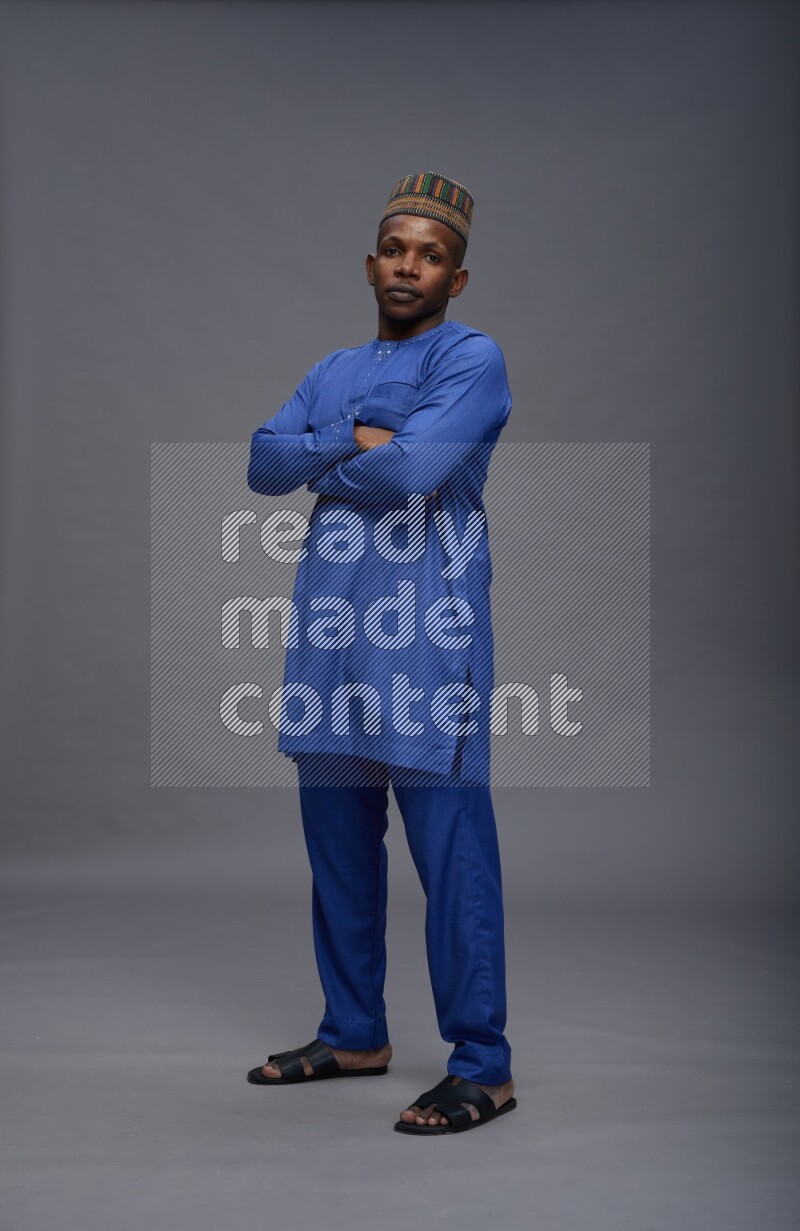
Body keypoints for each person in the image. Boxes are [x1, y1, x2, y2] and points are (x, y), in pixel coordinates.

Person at [246, 172, 516, 1135]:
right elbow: (261, 461)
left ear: (458, 275)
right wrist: (342, 437)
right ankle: (354, 1029)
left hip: (425, 638)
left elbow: (415, 465)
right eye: (396, 248)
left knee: (453, 856)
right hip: (330, 638)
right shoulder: (332, 368)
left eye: (431, 254)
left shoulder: (471, 357)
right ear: (371, 263)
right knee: (339, 853)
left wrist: (338, 453)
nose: (410, 264)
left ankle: (483, 1062)